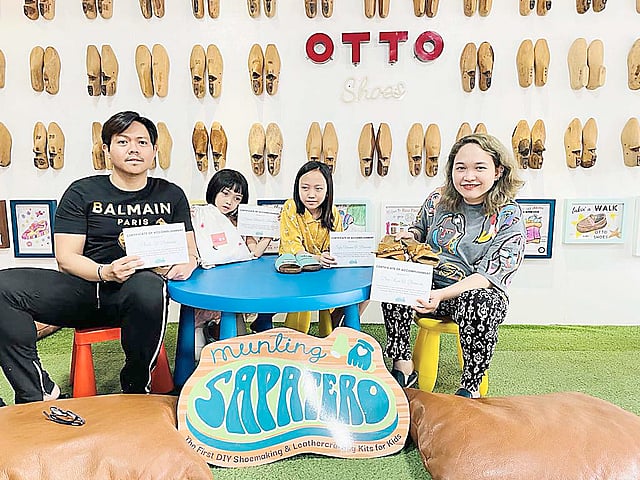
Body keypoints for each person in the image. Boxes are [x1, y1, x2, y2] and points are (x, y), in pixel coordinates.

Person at [0, 111, 199, 406]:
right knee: (3, 286)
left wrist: (186, 264)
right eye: (123, 141)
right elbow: (66, 257)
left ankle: (136, 386)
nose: (134, 149)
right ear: (106, 149)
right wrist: (105, 271)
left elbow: (190, 251)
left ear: (155, 150)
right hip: (84, 290)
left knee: (147, 285)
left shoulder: (171, 195)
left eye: (142, 142)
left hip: (138, 299)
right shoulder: (83, 191)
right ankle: (36, 390)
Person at [382, 133, 526, 398]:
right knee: (395, 277)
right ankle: (402, 364)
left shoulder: (509, 215)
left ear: (498, 171)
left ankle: (470, 386)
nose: (468, 176)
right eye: (461, 168)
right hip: (430, 285)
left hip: (472, 294)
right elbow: (420, 229)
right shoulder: (438, 198)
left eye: (479, 168)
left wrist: (440, 295)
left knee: (480, 301)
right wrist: (409, 235)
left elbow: (488, 276)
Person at [193, 169, 272, 349]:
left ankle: (216, 329)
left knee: (240, 342)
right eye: (225, 193)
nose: (229, 201)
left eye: (237, 198)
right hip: (206, 287)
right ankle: (205, 328)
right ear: (214, 191)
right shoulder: (199, 215)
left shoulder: (240, 222)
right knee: (197, 352)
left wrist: (270, 232)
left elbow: (254, 252)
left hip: (233, 287)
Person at [278, 161, 343, 335]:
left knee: (329, 307)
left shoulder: (333, 212)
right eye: (305, 188)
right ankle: (293, 340)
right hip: (296, 270)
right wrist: (317, 258)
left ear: (327, 190)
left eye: (318, 189)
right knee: (301, 305)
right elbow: (292, 245)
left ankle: (330, 336)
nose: (311, 195)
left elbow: (338, 245)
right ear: (297, 188)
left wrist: (329, 256)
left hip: (325, 270)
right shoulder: (291, 206)